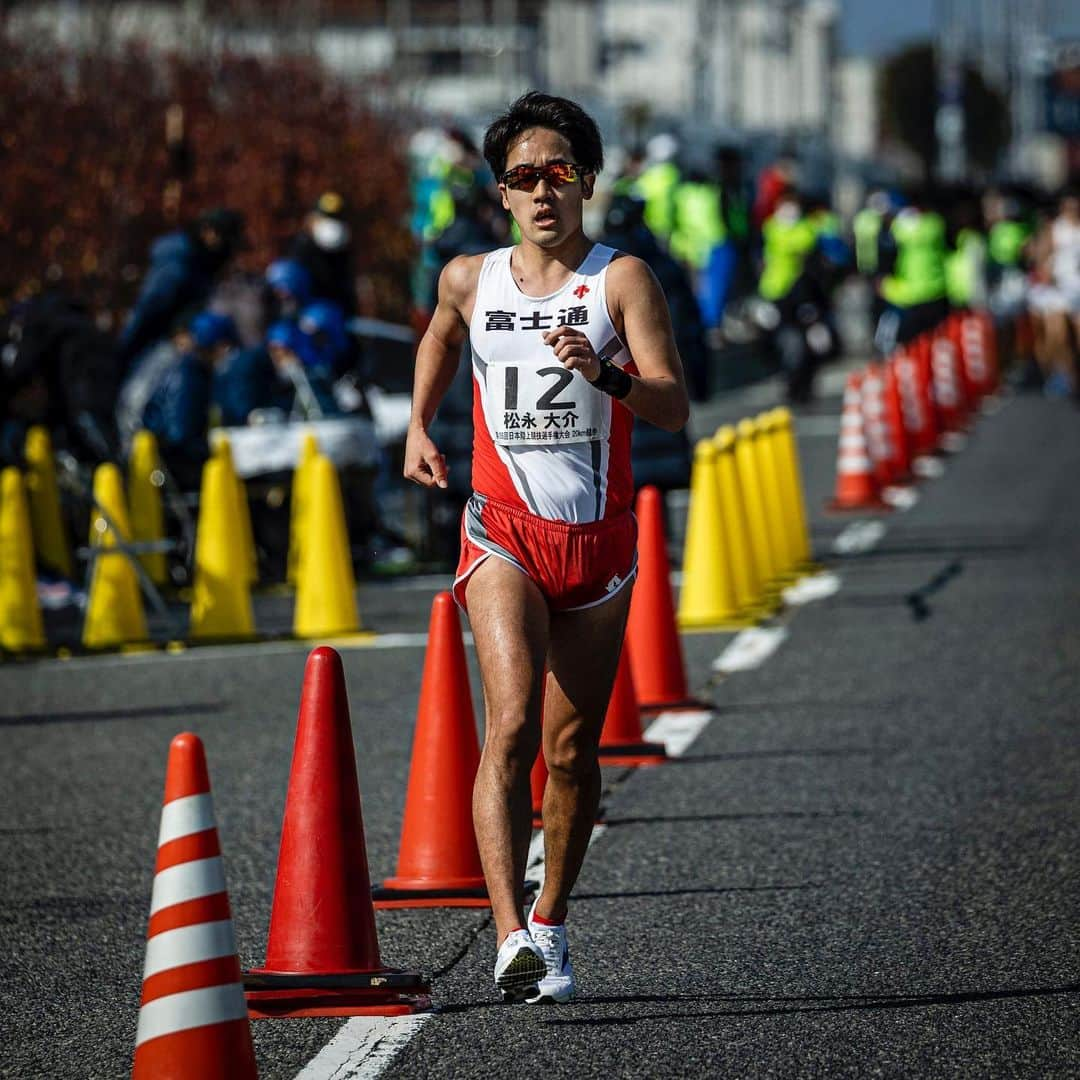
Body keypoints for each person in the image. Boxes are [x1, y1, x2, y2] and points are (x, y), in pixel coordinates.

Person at [404, 91, 689, 1004]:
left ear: (588, 183)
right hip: (502, 531)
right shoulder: (467, 277)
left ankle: (554, 919)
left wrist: (604, 374)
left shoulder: (621, 280)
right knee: (513, 722)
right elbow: (442, 338)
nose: (541, 192)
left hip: (597, 545)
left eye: (558, 174)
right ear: (501, 192)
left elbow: (673, 403)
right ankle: (508, 934)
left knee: (571, 752)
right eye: (523, 177)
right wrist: (418, 425)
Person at [115, 208, 247, 373]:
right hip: (156, 345)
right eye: (225, 239)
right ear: (209, 232)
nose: (228, 249)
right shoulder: (179, 263)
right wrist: (176, 330)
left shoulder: (203, 262)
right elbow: (151, 307)